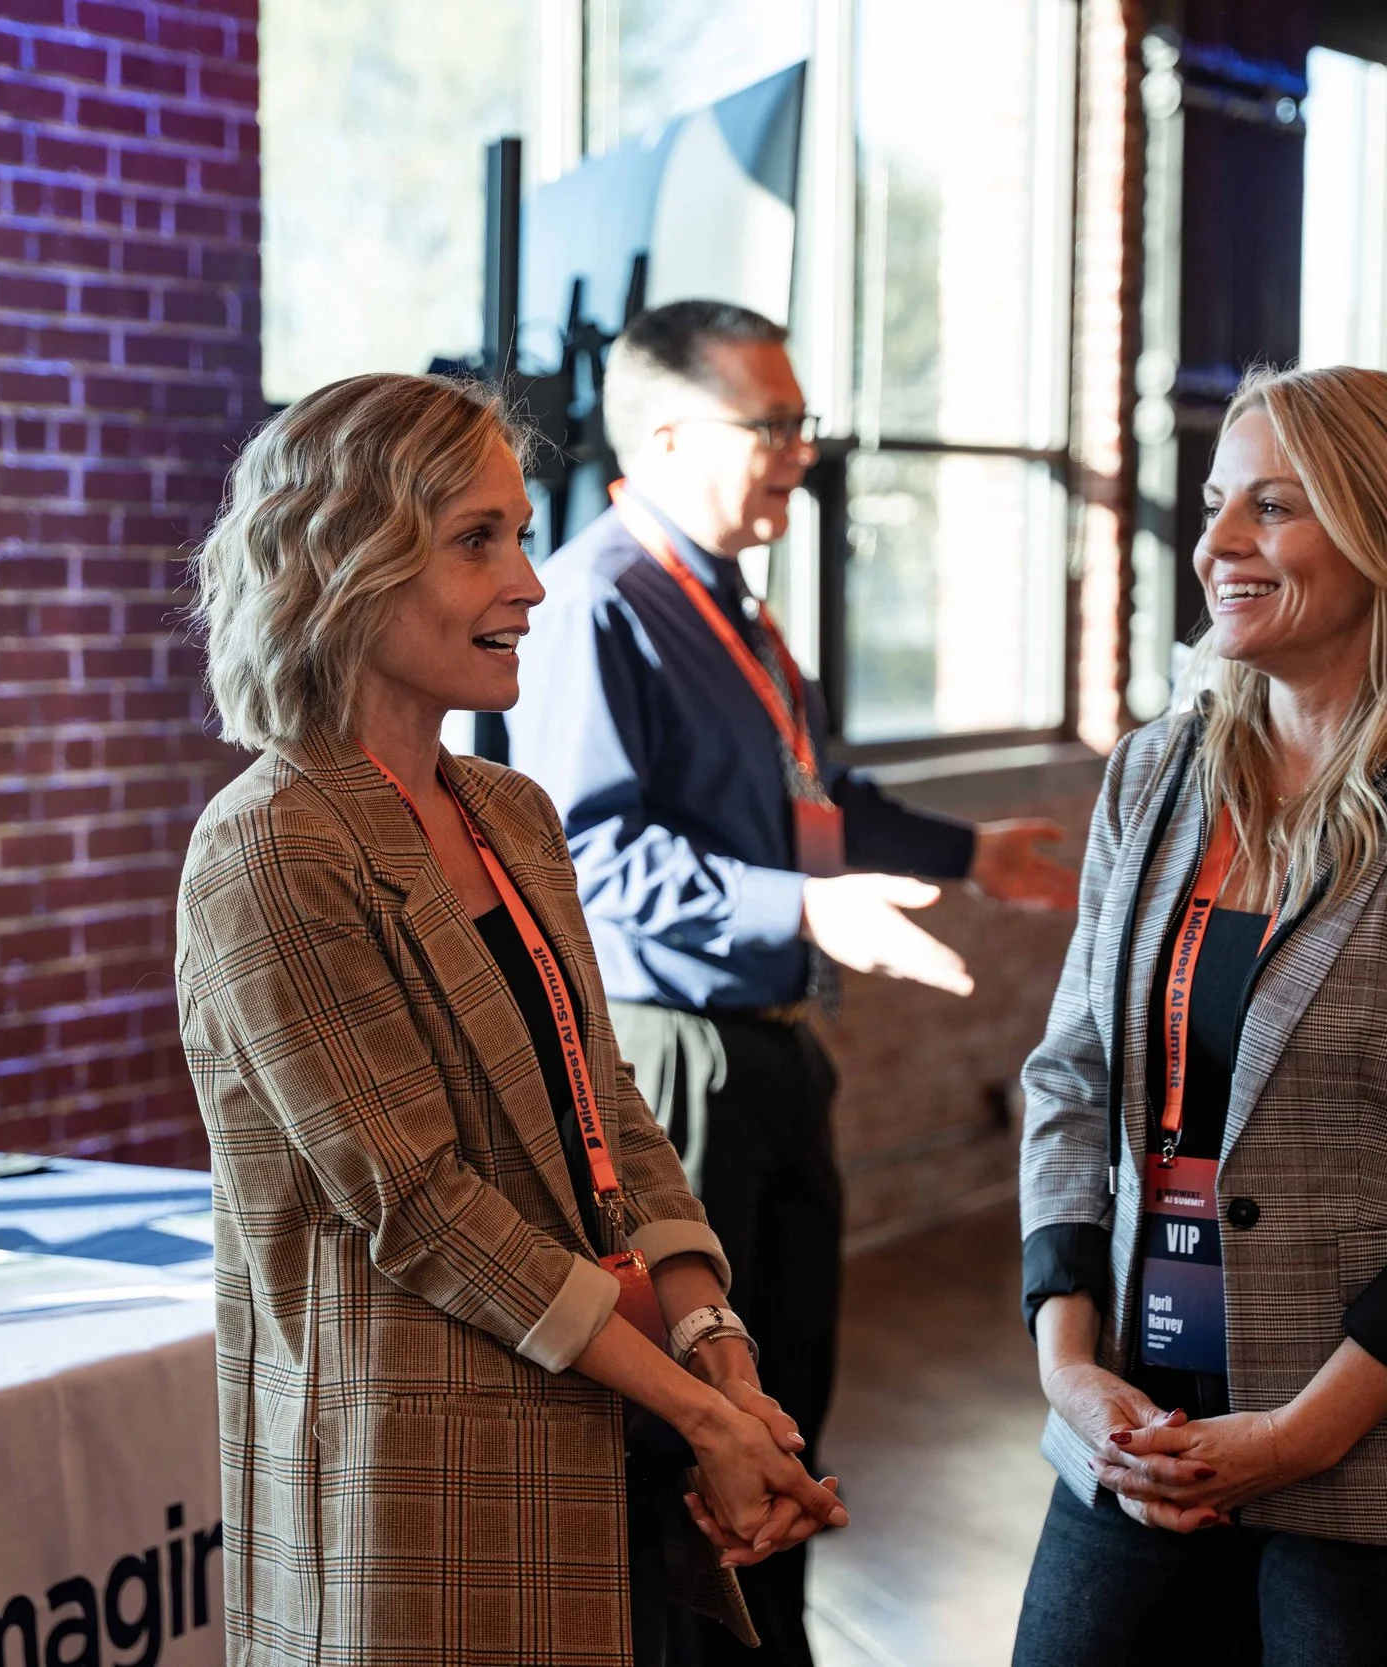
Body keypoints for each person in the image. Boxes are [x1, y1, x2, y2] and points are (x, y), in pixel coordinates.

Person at [176, 372, 847, 1667]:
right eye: (478, 540)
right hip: (423, 1481)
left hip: (604, 1432)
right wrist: (701, 1414)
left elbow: (614, 1111)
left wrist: (722, 1356)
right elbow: (419, 1203)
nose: (532, 583)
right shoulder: (271, 843)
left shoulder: (513, 812)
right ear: (343, 564)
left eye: (523, 533)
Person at [1012, 364, 1387, 1665]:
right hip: (1136, 1421)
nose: (1219, 539)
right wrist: (1071, 1366)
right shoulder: (1157, 772)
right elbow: (1070, 1081)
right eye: (1220, 501)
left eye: (1274, 508)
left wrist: (1302, 1432)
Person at [506, 298, 1079, 1665]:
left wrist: (967, 852)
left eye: (802, 423)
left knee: (784, 1409)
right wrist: (807, 906)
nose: (801, 452)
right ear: (659, 434)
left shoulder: (732, 599)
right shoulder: (597, 600)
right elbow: (589, 857)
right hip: (676, 1058)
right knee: (693, 1433)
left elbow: (811, 795)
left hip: (773, 1046)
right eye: (771, 424)